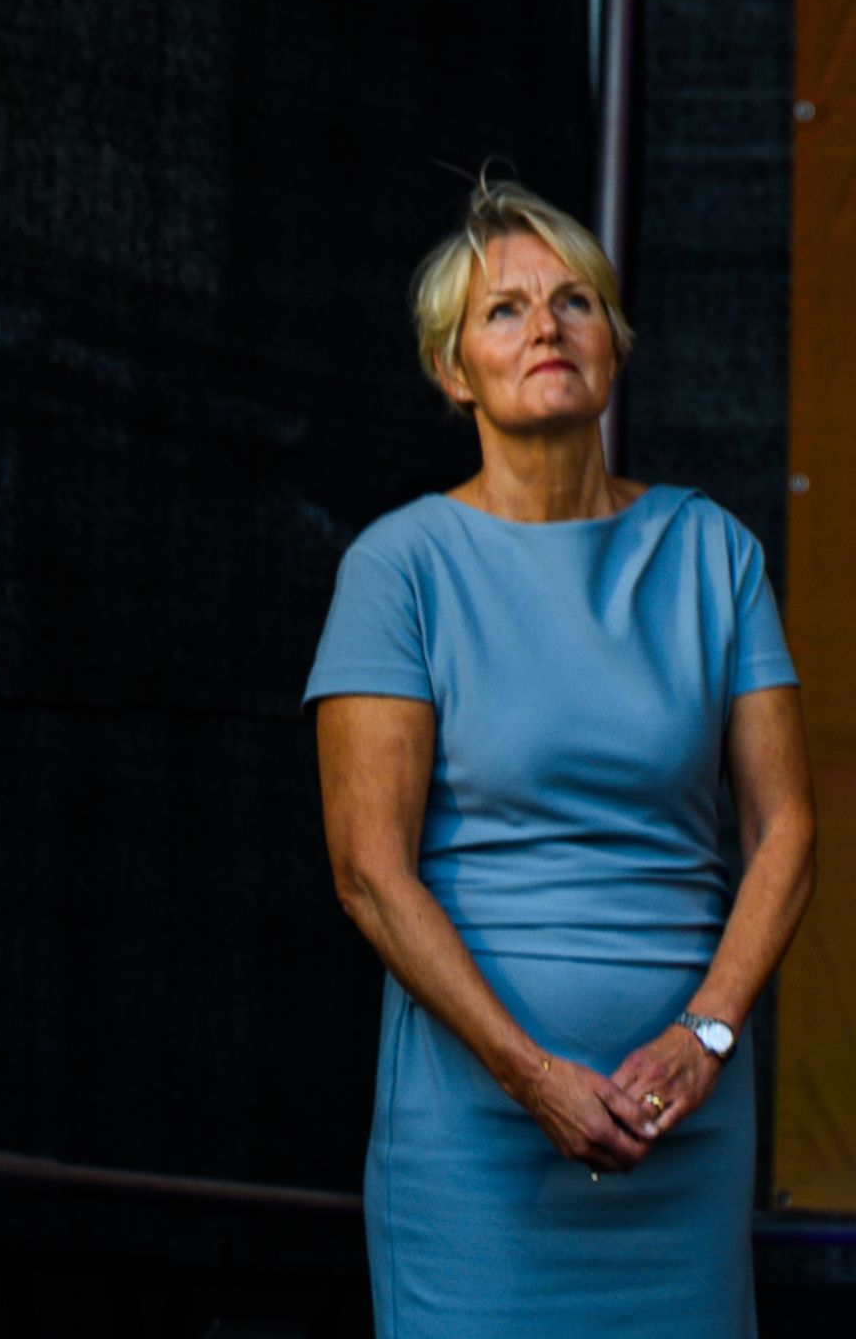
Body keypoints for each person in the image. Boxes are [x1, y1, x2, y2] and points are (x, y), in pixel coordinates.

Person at [307, 177, 814, 1339]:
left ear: (613, 344)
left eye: (573, 299)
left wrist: (707, 1037)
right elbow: (368, 873)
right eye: (504, 310)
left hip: (684, 1123)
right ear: (452, 371)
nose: (544, 324)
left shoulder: (709, 550)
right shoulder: (401, 567)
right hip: (479, 1134)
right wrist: (530, 1074)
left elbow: (787, 828)